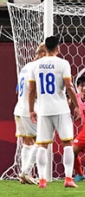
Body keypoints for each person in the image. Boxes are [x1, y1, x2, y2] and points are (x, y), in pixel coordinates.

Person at [28, 36, 81, 189]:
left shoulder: (35, 65)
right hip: (61, 109)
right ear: (57, 48)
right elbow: (69, 86)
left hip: (43, 110)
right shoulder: (63, 63)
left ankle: (42, 180)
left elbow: (32, 90)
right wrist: (77, 105)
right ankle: (69, 178)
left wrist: (32, 109)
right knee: (67, 143)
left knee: (42, 145)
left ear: (44, 49)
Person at [14, 43, 46, 184]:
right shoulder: (37, 68)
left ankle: (24, 173)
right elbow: (35, 91)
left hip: (19, 109)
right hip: (29, 109)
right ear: (43, 54)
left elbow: (17, 90)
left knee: (27, 142)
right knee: (42, 139)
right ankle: (25, 172)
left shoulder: (25, 67)